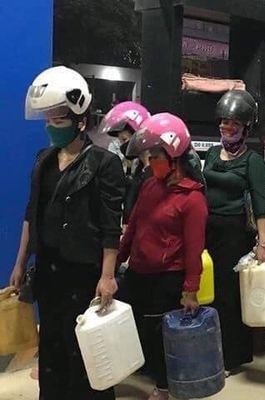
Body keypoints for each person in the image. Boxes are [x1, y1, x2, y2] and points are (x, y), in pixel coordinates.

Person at [10, 66, 125, 400]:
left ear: (81, 121)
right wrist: (20, 262)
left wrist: (108, 276)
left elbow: (110, 225)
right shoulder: (43, 159)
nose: (51, 126)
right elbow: (32, 213)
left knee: (86, 355)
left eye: (58, 120)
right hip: (49, 272)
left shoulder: (104, 163)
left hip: (84, 273)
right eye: (48, 119)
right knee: (52, 348)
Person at [117, 113, 207, 400]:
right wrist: (115, 262)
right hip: (138, 271)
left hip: (167, 277)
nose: (151, 161)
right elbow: (134, 227)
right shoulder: (149, 186)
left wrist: (190, 290)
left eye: (156, 156)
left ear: (174, 158)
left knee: (159, 336)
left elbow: (194, 249)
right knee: (133, 326)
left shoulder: (192, 199)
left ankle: (164, 387)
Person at [202, 90, 265, 372]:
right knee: (208, 292)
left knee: (229, 295)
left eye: (234, 123)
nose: (226, 127)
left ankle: (233, 356)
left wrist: (263, 243)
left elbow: (262, 203)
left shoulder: (252, 161)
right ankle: (212, 350)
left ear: (245, 128)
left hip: (234, 235)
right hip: (207, 231)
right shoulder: (211, 154)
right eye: (223, 121)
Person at [98, 101, 152, 224]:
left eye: (125, 140)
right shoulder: (139, 168)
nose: (123, 145)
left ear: (139, 134)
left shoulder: (153, 169)